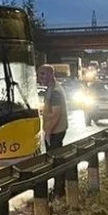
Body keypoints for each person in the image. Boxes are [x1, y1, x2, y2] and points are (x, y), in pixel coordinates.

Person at [39, 65, 69, 200]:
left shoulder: (55, 91)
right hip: (55, 130)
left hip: (56, 131)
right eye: (39, 75)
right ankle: (58, 190)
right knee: (56, 161)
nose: (40, 78)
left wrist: (48, 132)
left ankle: (59, 192)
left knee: (56, 162)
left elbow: (56, 114)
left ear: (51, 75)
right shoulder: (52, 89)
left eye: (42, 74)